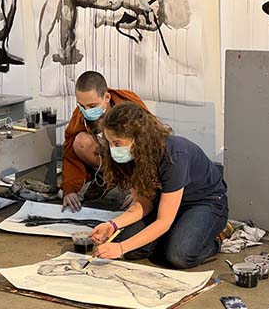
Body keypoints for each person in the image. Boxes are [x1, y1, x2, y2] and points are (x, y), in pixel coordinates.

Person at [90, 102, 229, 269]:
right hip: (164, 203)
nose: (113, 149)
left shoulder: (174, 155)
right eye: (110, 142)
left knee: (178, 256)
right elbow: (143, 204)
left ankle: (215, 240)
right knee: (133, 249)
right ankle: (175, 235)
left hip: (203, 202)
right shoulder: (131, 157)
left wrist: (120, 248)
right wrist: (112, 225)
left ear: (138, 139)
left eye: (117, 143)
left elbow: (164, 221)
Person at [62, 71, 149, 212]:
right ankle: (107, 178)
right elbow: (69, 153)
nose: (86, 111)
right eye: (81, 106)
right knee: (80, 142)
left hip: (132, 161)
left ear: (107, 97)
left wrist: (142, 190)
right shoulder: (80, 114)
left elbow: (149, 146)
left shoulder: (129, 106)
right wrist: (69, 189)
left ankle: (128, 183)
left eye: (92, 106)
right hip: (105, 157)